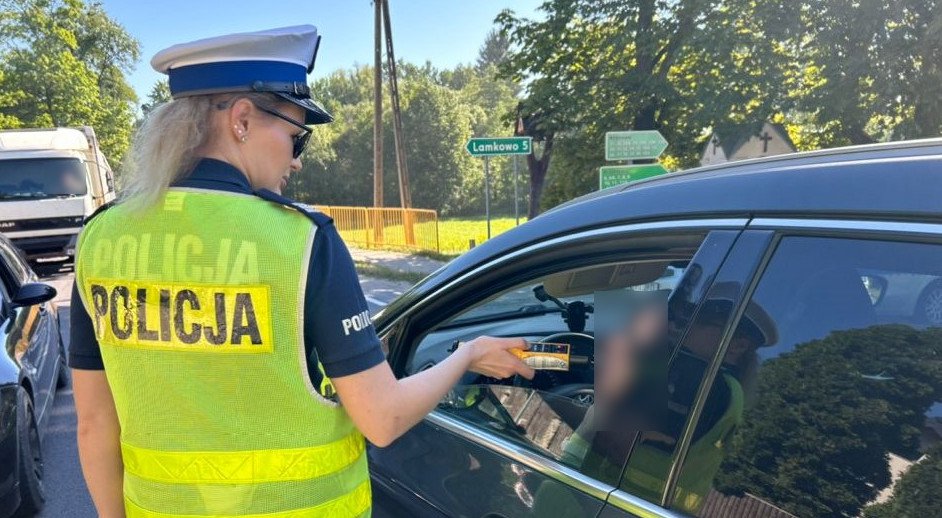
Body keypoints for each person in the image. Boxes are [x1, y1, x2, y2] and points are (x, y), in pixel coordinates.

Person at [69, 25, 534, 518]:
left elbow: (95, 423)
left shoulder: (103, 237)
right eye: (296, 137)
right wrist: (467, 355)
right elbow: (382, 417)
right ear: (242, 119)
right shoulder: (301, 240)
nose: (295, 162)